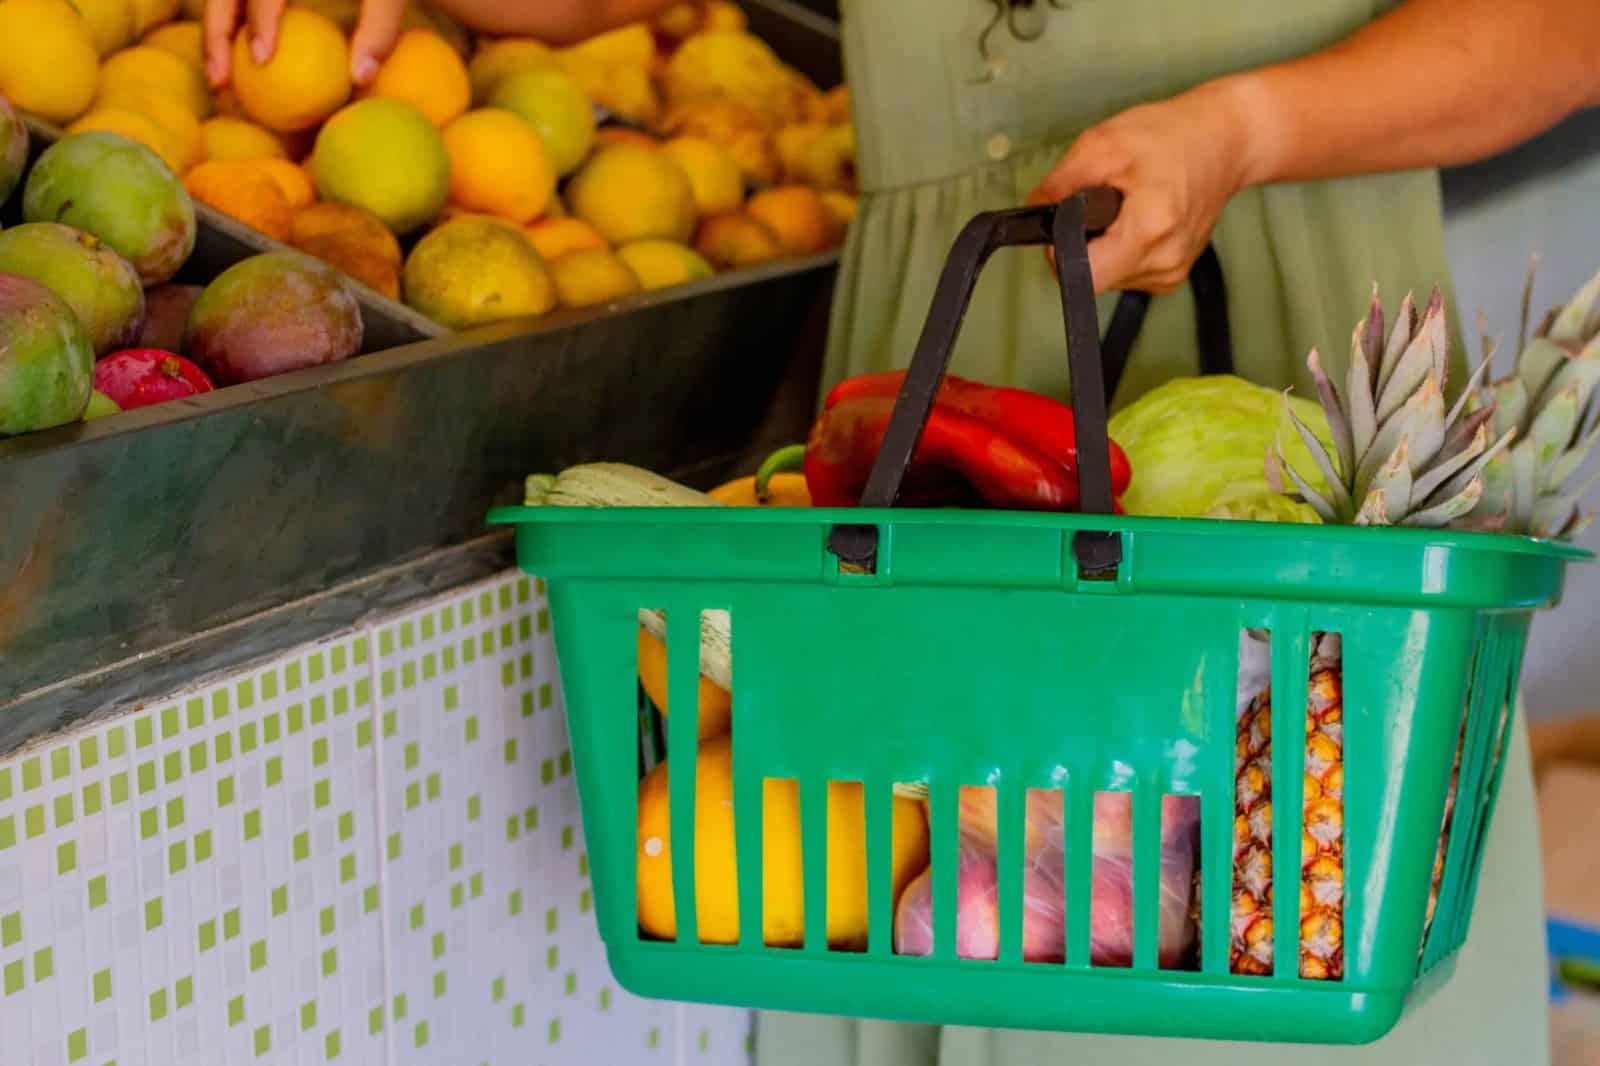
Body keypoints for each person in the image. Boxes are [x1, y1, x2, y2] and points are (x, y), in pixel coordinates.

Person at [209, 1, 1600, 1063]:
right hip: (930, 369)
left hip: (1278, 298)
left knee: (1235, 943)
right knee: (910, 920)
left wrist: (1249, 129)